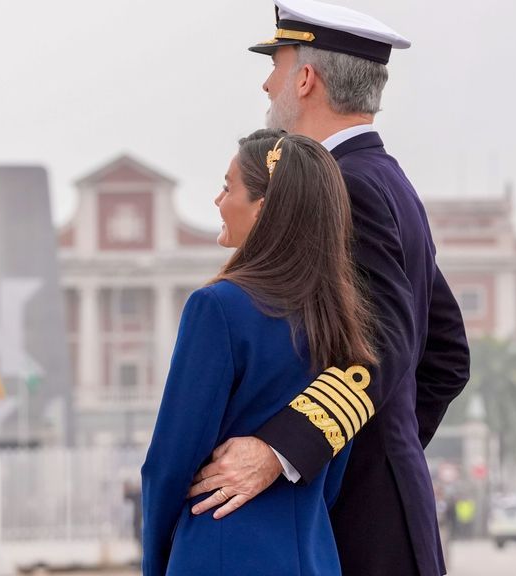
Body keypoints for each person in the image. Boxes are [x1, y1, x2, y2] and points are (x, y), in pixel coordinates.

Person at [186, 1, 471, 574]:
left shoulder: (344, 187)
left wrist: (284, 450)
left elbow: (384, 343)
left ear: (307, 78)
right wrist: (390, 446)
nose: (267, 85)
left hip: (357, 522)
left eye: (277, 66)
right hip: (386, 506)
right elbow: (445, 352)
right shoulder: (389, 179)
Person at [141, 130, 380, 575]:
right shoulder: (339, 317)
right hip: (312, 551)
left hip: (217, 549)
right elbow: (333, 459)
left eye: (229, 187)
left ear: (264, 210)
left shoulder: (217, 307)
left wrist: (157, 559)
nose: (218, 200)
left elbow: (170, 461)